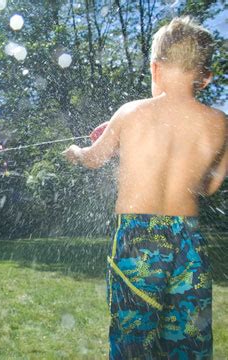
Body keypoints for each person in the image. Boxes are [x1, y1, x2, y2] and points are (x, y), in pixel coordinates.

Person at [63, 17, 226, 359]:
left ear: (155, 68)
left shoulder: (130, 113)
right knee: (188, 340)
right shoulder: (220, 124)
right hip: (190, 241)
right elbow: (209, 188)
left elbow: (94, 159)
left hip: (137, 239)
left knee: (133, 338)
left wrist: (76, 153)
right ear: (205, 76)